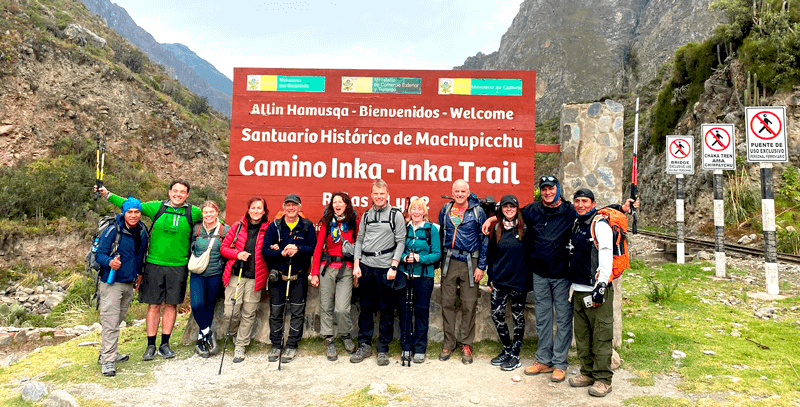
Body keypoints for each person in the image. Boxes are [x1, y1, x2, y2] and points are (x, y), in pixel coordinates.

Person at [97, 181, 202, 361]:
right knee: (153, 305)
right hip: (153, 264)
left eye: (182, 192)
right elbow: (130, 205)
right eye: (175, 191)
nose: (178, 194)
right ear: (169, 192)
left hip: (179, 265)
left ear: (187, 195)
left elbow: (212, 218)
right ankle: (151, 345)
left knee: (171, 305)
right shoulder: (156, 207)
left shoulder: (193, 212)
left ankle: (165, 344)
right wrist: (107, 194)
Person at [568, 188, 635, 397]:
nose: (580, 205)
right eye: (577, 201)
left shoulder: (600, 224)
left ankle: (603, 379)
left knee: (601, 336)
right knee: (583, 335)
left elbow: (605, 253)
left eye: (585, 201)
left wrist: (601, 286)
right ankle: (587, 372)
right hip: (578, 290)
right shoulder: (578, 223)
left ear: (593, 203)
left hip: (597, 290)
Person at [350, 180, 406, 365]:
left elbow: (400, 241)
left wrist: (394, 266)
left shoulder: (395, 215)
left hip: (385, 269)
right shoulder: (366, 215)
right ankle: (364, 344)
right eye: (376, 193)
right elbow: (359, 241)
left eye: (382, 193)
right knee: (365, 307)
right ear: (371, 195)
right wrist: (356, 265)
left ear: (387, 194)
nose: (379, 197)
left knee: (386, 309)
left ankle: (383, 348)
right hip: (366, 267)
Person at [95, 197, 149, 376]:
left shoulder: (142, 231)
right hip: (111, 282)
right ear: (124, 213)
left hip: (129, 282)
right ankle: (108, 361)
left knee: (117, 320)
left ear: (140, 213)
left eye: (136, 212)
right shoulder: (113, 230)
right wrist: (110, 262)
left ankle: (108, 352)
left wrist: (139, 276)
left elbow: (141, 256)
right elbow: (99, 255)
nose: (133, 215)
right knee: (110, 322)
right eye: (130, 212)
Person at [437, 179, 488, 364]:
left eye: (462, 191)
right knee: (447, 302)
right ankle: (449, 343)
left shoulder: (477, 211)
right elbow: (441, 235)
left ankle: (466, 344)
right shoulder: (446, 210)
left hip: (470, 261)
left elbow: (484, 238)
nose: (459, 194)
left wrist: (481, 266)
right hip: (449, 260)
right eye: (456, 191)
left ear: (468, 192)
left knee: (469, 303)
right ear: (452, 192)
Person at [262, 194, 317, 364]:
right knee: (276, 311)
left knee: (297, 311)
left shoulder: (307, 226)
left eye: (294, 205)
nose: (291, 208)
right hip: (279, 276)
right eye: (288, 205)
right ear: (283, 207)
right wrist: (281, 251)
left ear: (300, 207)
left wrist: (297, 248)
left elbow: (313, 248)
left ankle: (292, 344)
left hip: (298, 275)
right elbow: (265, 250)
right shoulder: (275, 226)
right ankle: (276, 344)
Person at [219, 197, 270, 363]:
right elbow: (224, 248)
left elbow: (272, 248)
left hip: (256, 277)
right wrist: (237, 254)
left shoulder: (268, 228)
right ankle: (233, 333)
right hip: (237, 275)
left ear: (264, 211)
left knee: (249, 313)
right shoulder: (238, 226)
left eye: (259, 208)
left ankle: (240, 345)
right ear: (248, 210)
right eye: (253, 208)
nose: (256, 211)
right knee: (230, 311)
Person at [311, 192, 359, 361]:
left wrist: (357, 270)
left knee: (342, 308)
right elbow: (317, 249)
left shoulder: (354, 222)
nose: (337, 204)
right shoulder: (326, 223)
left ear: (347, 204)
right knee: (326, 305)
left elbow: (359, 247)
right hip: (327, 267)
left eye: (341, 202)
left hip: (346, 268)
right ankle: (328, 338)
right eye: (335, 202)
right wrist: (314, 273)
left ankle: (345, 334)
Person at [486, 194, 527, 372]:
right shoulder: (497, 228)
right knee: (497, 315)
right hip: (500, 281)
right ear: (501, 209)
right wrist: (491, 277)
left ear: (516, 208)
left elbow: (530, 255)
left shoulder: (525, 229)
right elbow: (491, 255)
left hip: (518, 282)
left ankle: (515, 355)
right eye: (505, 207)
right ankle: (507, 348)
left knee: (518, 318)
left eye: (512, 206)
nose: (508, 210)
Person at [399, 198, 441, 364]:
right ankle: (406, 346)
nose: (416, 212)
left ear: (424, 212)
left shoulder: (432, 230)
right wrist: (404, 257)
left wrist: (419, 258)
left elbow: (437, 254)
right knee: (405, 311)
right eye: (413, 209)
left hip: (424, 276)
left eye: (419, 209)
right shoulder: (405, 228)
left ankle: (420, 348)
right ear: (409, 211)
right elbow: (398, 250)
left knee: (421, 310)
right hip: (405, 275)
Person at [189, 200, 229, 358]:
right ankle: (207, 332)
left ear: (217, 213)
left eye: (211, 212)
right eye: (205, 212)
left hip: (215, 273)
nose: (208, 215)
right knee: (197, 304)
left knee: (209, 306)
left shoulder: (224, 230)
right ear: (202, 214)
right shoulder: (196, 229)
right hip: (197, 273)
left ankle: (201, 340)